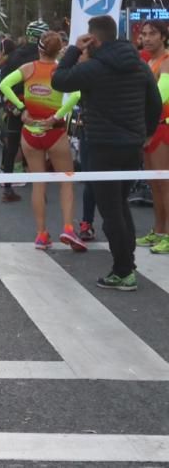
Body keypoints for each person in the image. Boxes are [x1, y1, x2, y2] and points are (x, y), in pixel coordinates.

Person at [52, 15, 161, 291]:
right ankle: (128, 264)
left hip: (102, 145)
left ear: (94, 39)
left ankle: (123, 271)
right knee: (121, 205)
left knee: (110, 210)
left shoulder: (96, 68)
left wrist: (75, 50)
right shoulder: (139, 64)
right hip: (132, 146)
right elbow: (155, 103)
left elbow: (59, 80)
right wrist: (145, 132)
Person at [0, 32, 84, 250]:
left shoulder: (28, 68)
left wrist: (21, 108)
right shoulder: (61, 70)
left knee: (39, 183)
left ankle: (41, 234)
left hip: (30, 131)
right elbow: (75, 95)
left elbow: (4, 85)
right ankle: (67, 228)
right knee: (66, 182)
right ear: (59, 51)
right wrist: (57, 116)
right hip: (54, 130)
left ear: (39, 48)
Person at [0, 22, 50, 201]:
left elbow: (2, 82)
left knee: (11, 145)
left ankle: (7, 188)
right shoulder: (44, 57)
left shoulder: (14, 55)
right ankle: (40, 191)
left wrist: (15, 106)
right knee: (41, 146)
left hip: (17, 104)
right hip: (40, 105)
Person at [137, 19, 169, 252]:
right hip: (149, 128)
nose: (147, 38)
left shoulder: (167, 62)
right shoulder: (149, 62)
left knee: (165, 184)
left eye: (152, 34)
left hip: (162, 128)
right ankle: (158, 230)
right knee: (154, 184)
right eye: (144, 34)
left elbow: (160, 94)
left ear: (163, 37)